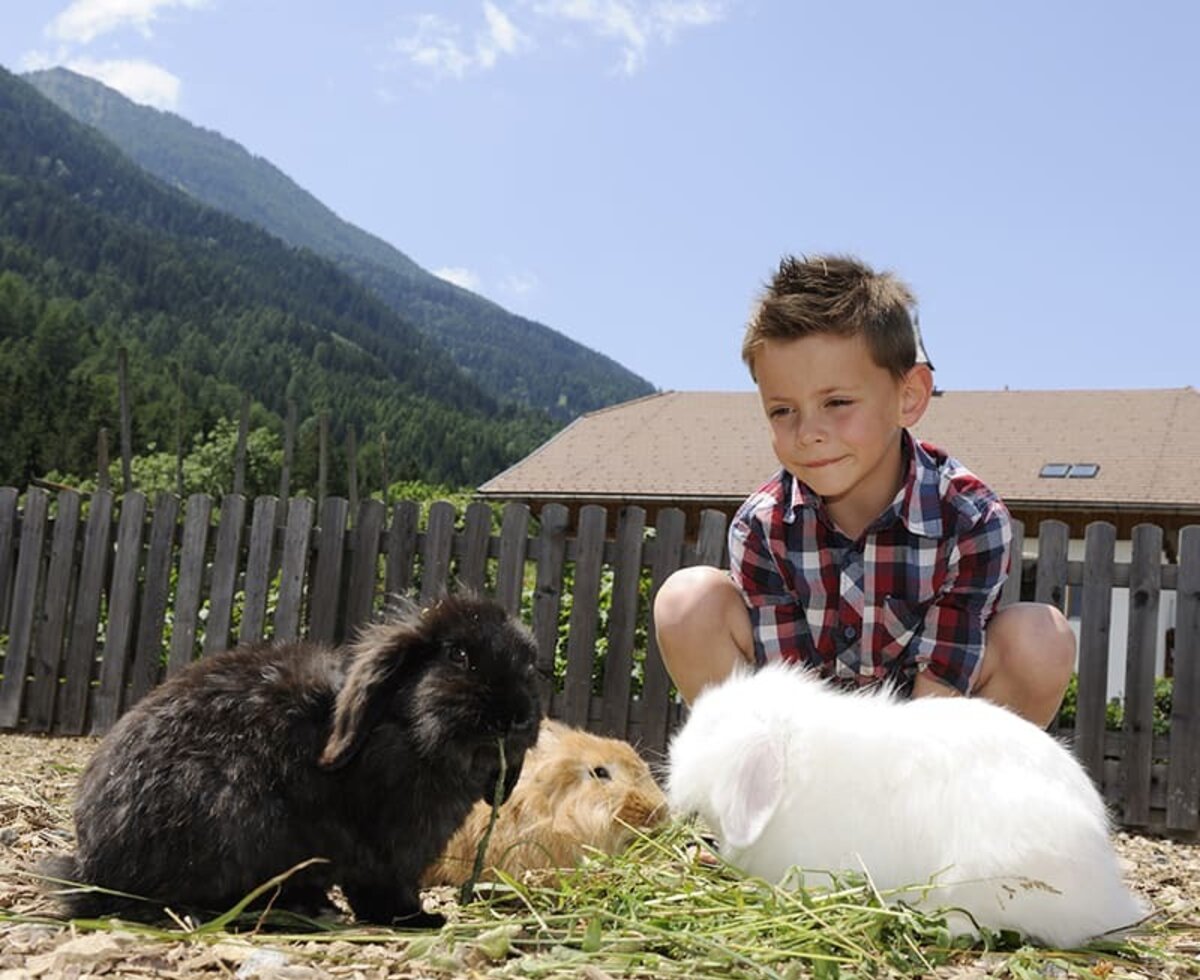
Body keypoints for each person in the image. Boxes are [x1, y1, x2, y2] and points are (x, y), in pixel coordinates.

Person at [653, 254, 1075, 728]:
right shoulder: (761, 527)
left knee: (1043, 637)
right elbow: (788, 693)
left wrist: (896, 783)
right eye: (782, 410)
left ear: (909, 397)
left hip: (927, 739)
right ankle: (759, 794)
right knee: (686, 602)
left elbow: (941, 692)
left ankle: (954, 804)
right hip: (802, 740)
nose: (808, 432)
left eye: (837, 402)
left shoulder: (971, 517)